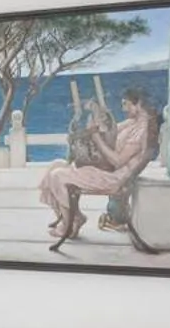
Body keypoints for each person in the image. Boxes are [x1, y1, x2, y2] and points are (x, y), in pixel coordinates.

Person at [37, 88, 161, 243]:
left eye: (126, 104)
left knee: (57, 176)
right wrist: (96, 116)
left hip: (114, 178)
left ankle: (71, 222)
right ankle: (72, 217)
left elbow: (117, 161)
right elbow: (109, 130)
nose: (123, 108)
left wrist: (95, 137)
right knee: (55, 165)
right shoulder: (132, 123)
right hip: (109, 170)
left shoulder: (141, 131)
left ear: (139, 103)